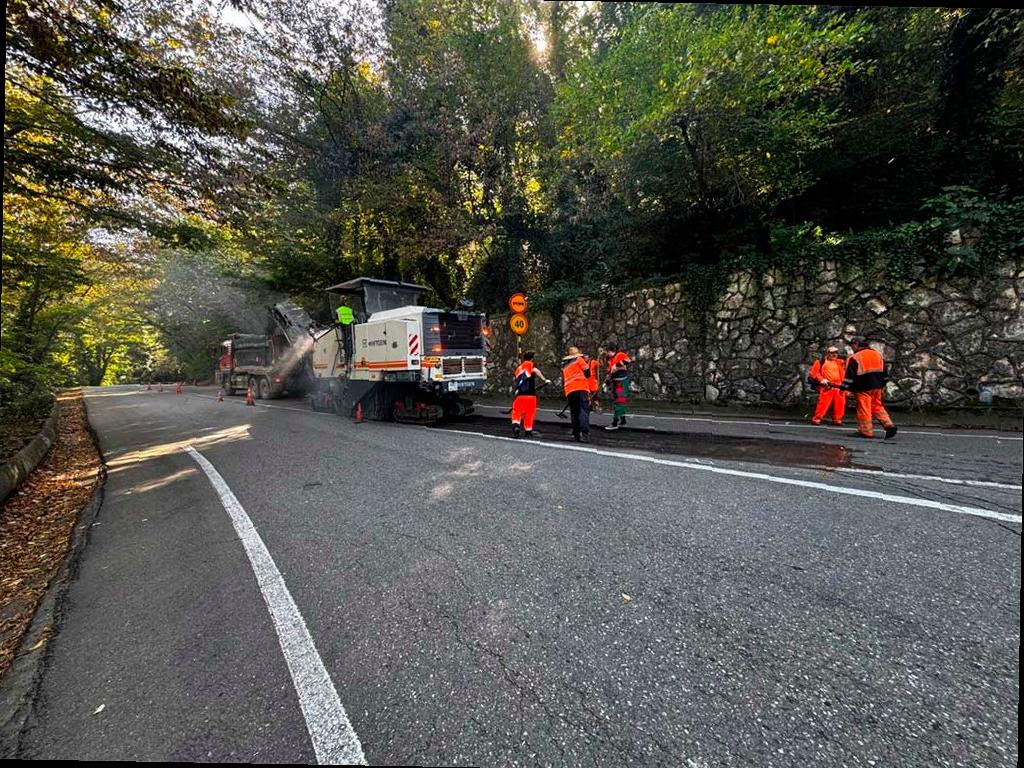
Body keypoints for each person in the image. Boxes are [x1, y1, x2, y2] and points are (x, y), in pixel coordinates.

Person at [842, 337, 897, 439]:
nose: (852, 348)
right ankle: (889, 425)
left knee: (864, 408)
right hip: (877, 386)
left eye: (852, 345)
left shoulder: (854, 357)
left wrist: (844, 388)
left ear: (856, 344)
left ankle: (865, 431)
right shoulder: (877, 355)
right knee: (877, 406)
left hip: (863, 387)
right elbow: (885, 373)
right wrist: (882, 384)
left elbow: (849, 376)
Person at [510, 352, 549, 438]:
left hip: (520, 395)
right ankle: (528, 431)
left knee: (516, 412)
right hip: (531, 396)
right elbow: (536, 371)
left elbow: (516, 380)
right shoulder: (530, 365)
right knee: (529, 414)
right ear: (532, 359)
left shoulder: (519, 368)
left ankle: (516, 427)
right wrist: (544, 379)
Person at [807, 345, 847, 425]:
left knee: (840, 405)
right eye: (832, 353)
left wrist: (845, 387)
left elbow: (845, 373)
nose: (834, 355)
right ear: (827, 353)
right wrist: (821, 379)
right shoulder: (821, 362)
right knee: (823, 404)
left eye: (836, 353)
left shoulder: (840, 362)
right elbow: (813, 373)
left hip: (839, 387)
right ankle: (817, 419)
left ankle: (837, 420)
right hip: (827, 386)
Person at [561, 346, 592, 442]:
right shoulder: (579, 359)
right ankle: (585, 433)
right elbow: (587, 372)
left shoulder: (565, 365)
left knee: (574, 412)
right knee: (583, 410)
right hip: (581, 387)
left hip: (569, 390)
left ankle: (576, 434)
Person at [604, 356, 631, 430]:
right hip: (617, 382)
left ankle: (615, 422)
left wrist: (616, 366)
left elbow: (627, 361)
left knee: (619, 402)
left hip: (620, 382)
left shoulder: (619, 356)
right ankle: (623, 420)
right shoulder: (610, 360)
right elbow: (610, 372)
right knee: (619, 401)